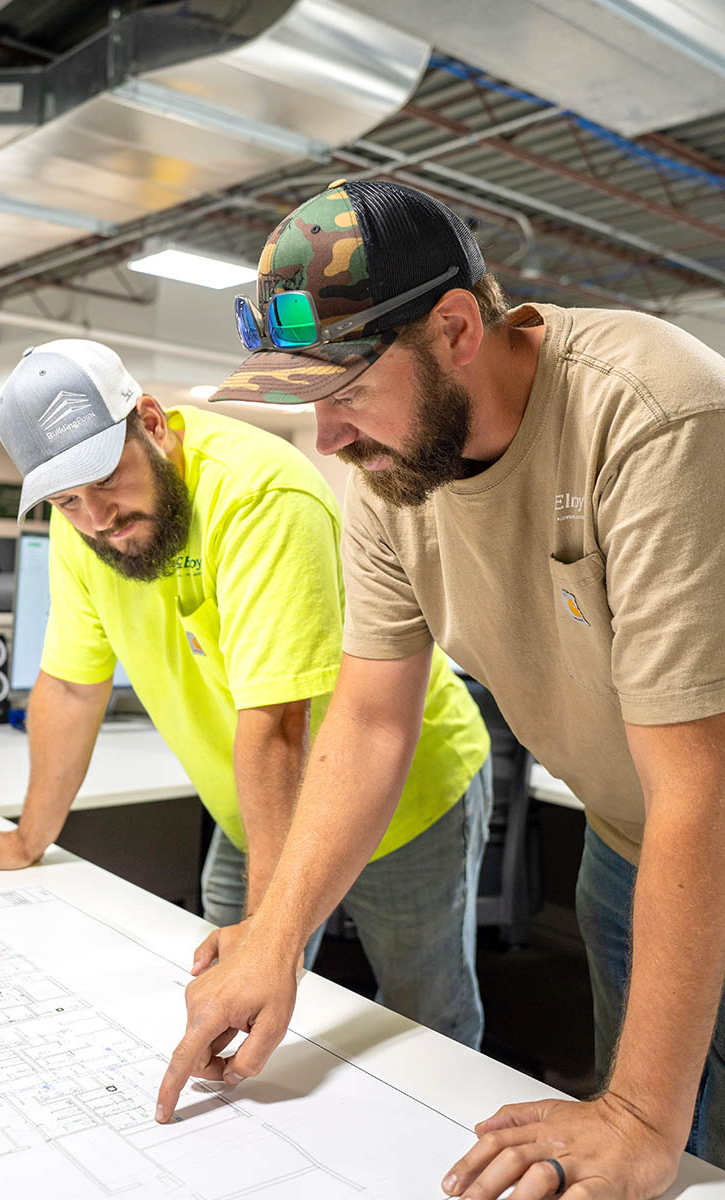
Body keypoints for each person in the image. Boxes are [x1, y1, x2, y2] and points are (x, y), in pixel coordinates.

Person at [155, 178, 725, 1198]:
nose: (326, 442)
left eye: (343, 393)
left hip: (703, 824)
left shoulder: (653, 413)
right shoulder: (392, 469)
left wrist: (639, 1113)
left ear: (454, 328)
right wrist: (272, 943)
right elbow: (371, 722)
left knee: (680, 1141)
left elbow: (700, 785)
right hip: (623, 842)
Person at [0, 337, 492, 1055]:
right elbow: (72, 688)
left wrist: (269, 939)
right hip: (253, 799)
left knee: (422, 1017)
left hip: (397, 796)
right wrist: (28, 837)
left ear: (153, 422)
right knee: (217, 999)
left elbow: (279, 724)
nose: (97, 516)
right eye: (69, 498)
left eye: (106, 479)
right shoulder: (84, 529)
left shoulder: (259, 496)